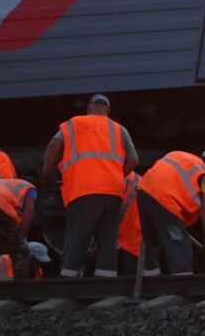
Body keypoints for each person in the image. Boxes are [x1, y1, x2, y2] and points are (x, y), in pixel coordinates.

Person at [41, 94, 137, 278]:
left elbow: (54, 145)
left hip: (83, 189)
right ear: (108, 111)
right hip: (113, 191)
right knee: (107, 239)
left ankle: (68, 278)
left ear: (89, 108)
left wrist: (46, 173)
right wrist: (115, 176)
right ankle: (105, 280)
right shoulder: (119, 129)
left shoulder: (74, 124)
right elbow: (133, 161)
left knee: (78, 235)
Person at [135, 149, 205, 275]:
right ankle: (183, 282)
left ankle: (150, 281)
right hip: (166, 201)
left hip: (144, 191)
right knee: (180, 243)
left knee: (151, 241)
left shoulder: (178, 155)